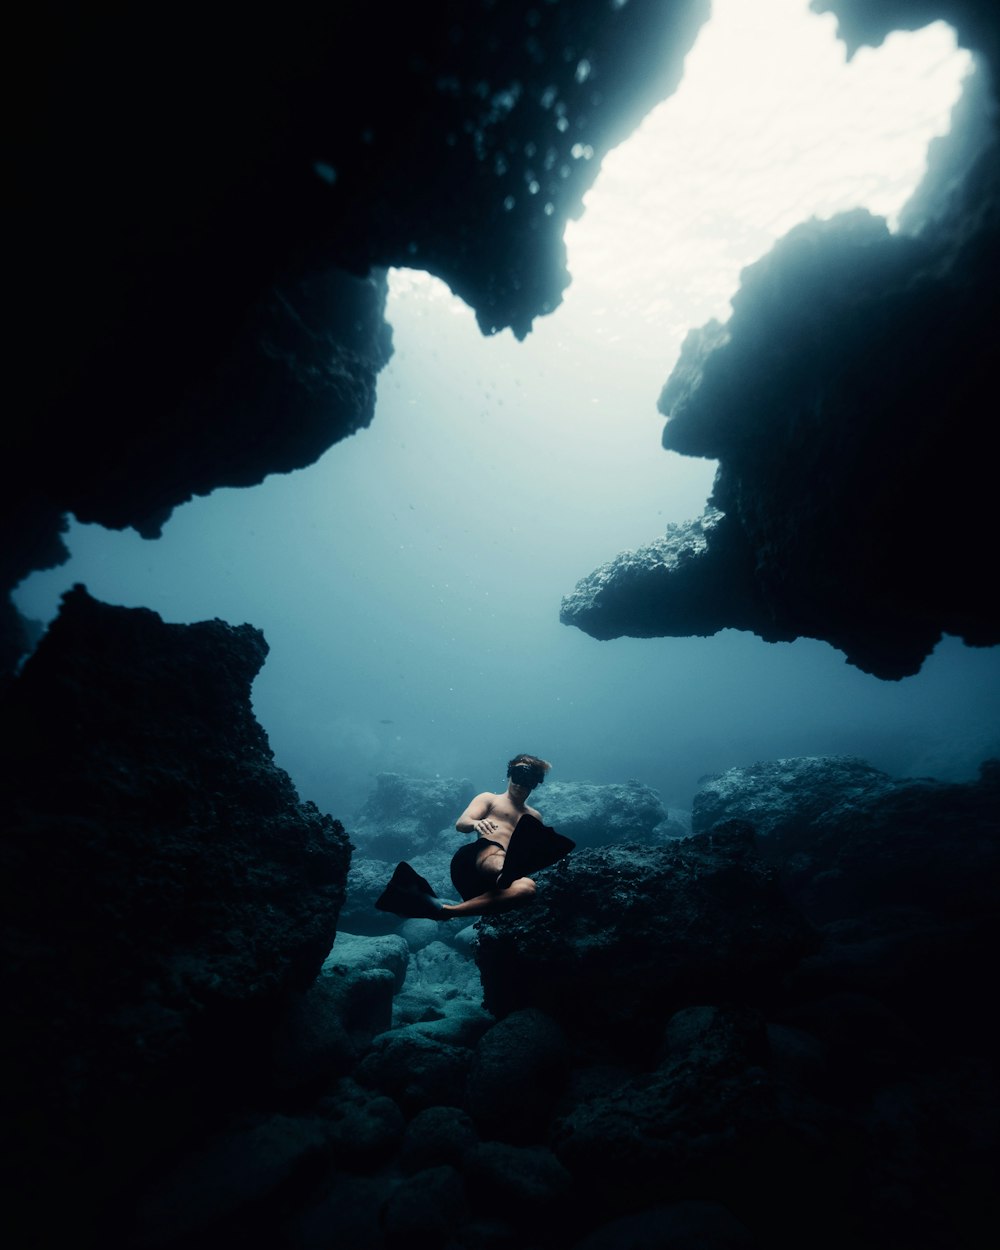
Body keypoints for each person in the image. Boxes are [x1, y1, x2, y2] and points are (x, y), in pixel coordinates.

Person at [375, 753, 572, 920]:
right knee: (497, 853)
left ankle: (446, 911)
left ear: (535, 784)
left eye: (527, 780)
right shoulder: (489, 799)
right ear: (509, 776)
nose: (520, 785)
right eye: (517, 776)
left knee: (528, 888)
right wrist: (476, 823)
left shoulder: (534, 816)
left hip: (490, 884)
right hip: (472, 862)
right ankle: (503, 872)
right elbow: (461, 824)